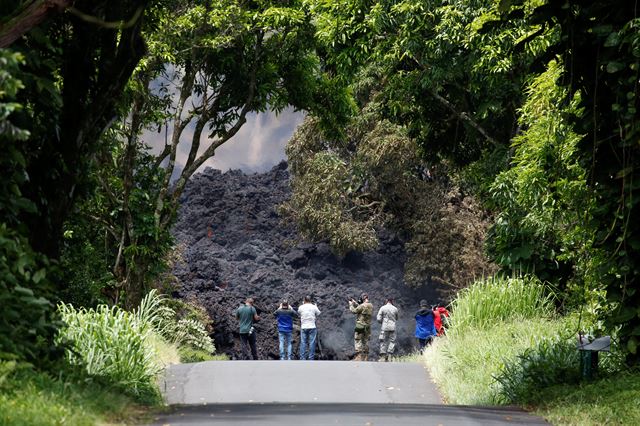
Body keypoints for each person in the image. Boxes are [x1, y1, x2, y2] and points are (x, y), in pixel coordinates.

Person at [349, 292, 373, 361]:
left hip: (360, 325)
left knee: (358, 340)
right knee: (365, 341)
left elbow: (354, 311)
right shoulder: (370, 305)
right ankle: (365, 357)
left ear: (362, 299)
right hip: (367, 326)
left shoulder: (362, 306)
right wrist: (355, 303)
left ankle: (359, 356)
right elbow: (362, 308)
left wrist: (351, 305)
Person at [297, 295, 321, 360]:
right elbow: (318, 313)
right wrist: (316, 306)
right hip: (312, 326)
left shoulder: (301, 307)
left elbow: (298, 312)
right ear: (310, 300)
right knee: (312, 343)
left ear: (304, 300)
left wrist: (302, 305)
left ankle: (302, 358)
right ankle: (311, 358)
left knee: (303, 342)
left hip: (304, 327)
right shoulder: (314, 307)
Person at [376, 297, 399, 362]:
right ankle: (390, 356)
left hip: (384, 327)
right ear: (392, 301)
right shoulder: (395, 309)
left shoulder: (383, 308)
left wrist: (382, 322)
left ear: (386, 301)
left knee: (383, 341)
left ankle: (383, 357)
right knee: (392, 341)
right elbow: (397, 318)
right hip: (392, 327)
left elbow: (378, 318)